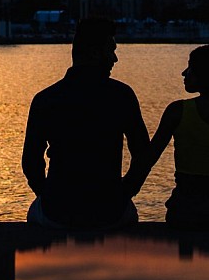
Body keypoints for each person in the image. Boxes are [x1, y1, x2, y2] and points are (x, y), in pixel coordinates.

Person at [22, 17, 150, 230]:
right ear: (94, 53)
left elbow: (30, 161)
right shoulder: (121, 95)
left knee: (34, 213)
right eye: (111, 50)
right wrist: (125, 192)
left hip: (57, 212)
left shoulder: (46, 98)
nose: (115, 58)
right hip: (110, 213)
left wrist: (46, 194)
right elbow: (143, 154)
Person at [125, 43, 209, 230]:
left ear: (206, 74)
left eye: (190, 68)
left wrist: (125, 191)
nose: (184, 73)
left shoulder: (178, 111)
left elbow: (148, 159)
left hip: (188, 209)